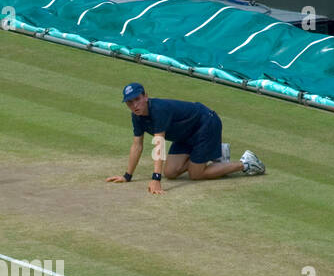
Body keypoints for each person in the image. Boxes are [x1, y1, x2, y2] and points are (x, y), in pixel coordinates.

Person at [106, 83, 265, 194]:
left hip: (206, 124)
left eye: (137, 99)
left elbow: (159, 144)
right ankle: (217, 153)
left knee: (195, 174)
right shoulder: (137, 116)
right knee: (170, 172)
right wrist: (127, 176)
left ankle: (246, 163)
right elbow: (137, 145)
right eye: (130, 102)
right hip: (185, 134)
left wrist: (156, 179)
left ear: (146, 97)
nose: (134, 105)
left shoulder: (159, 110)